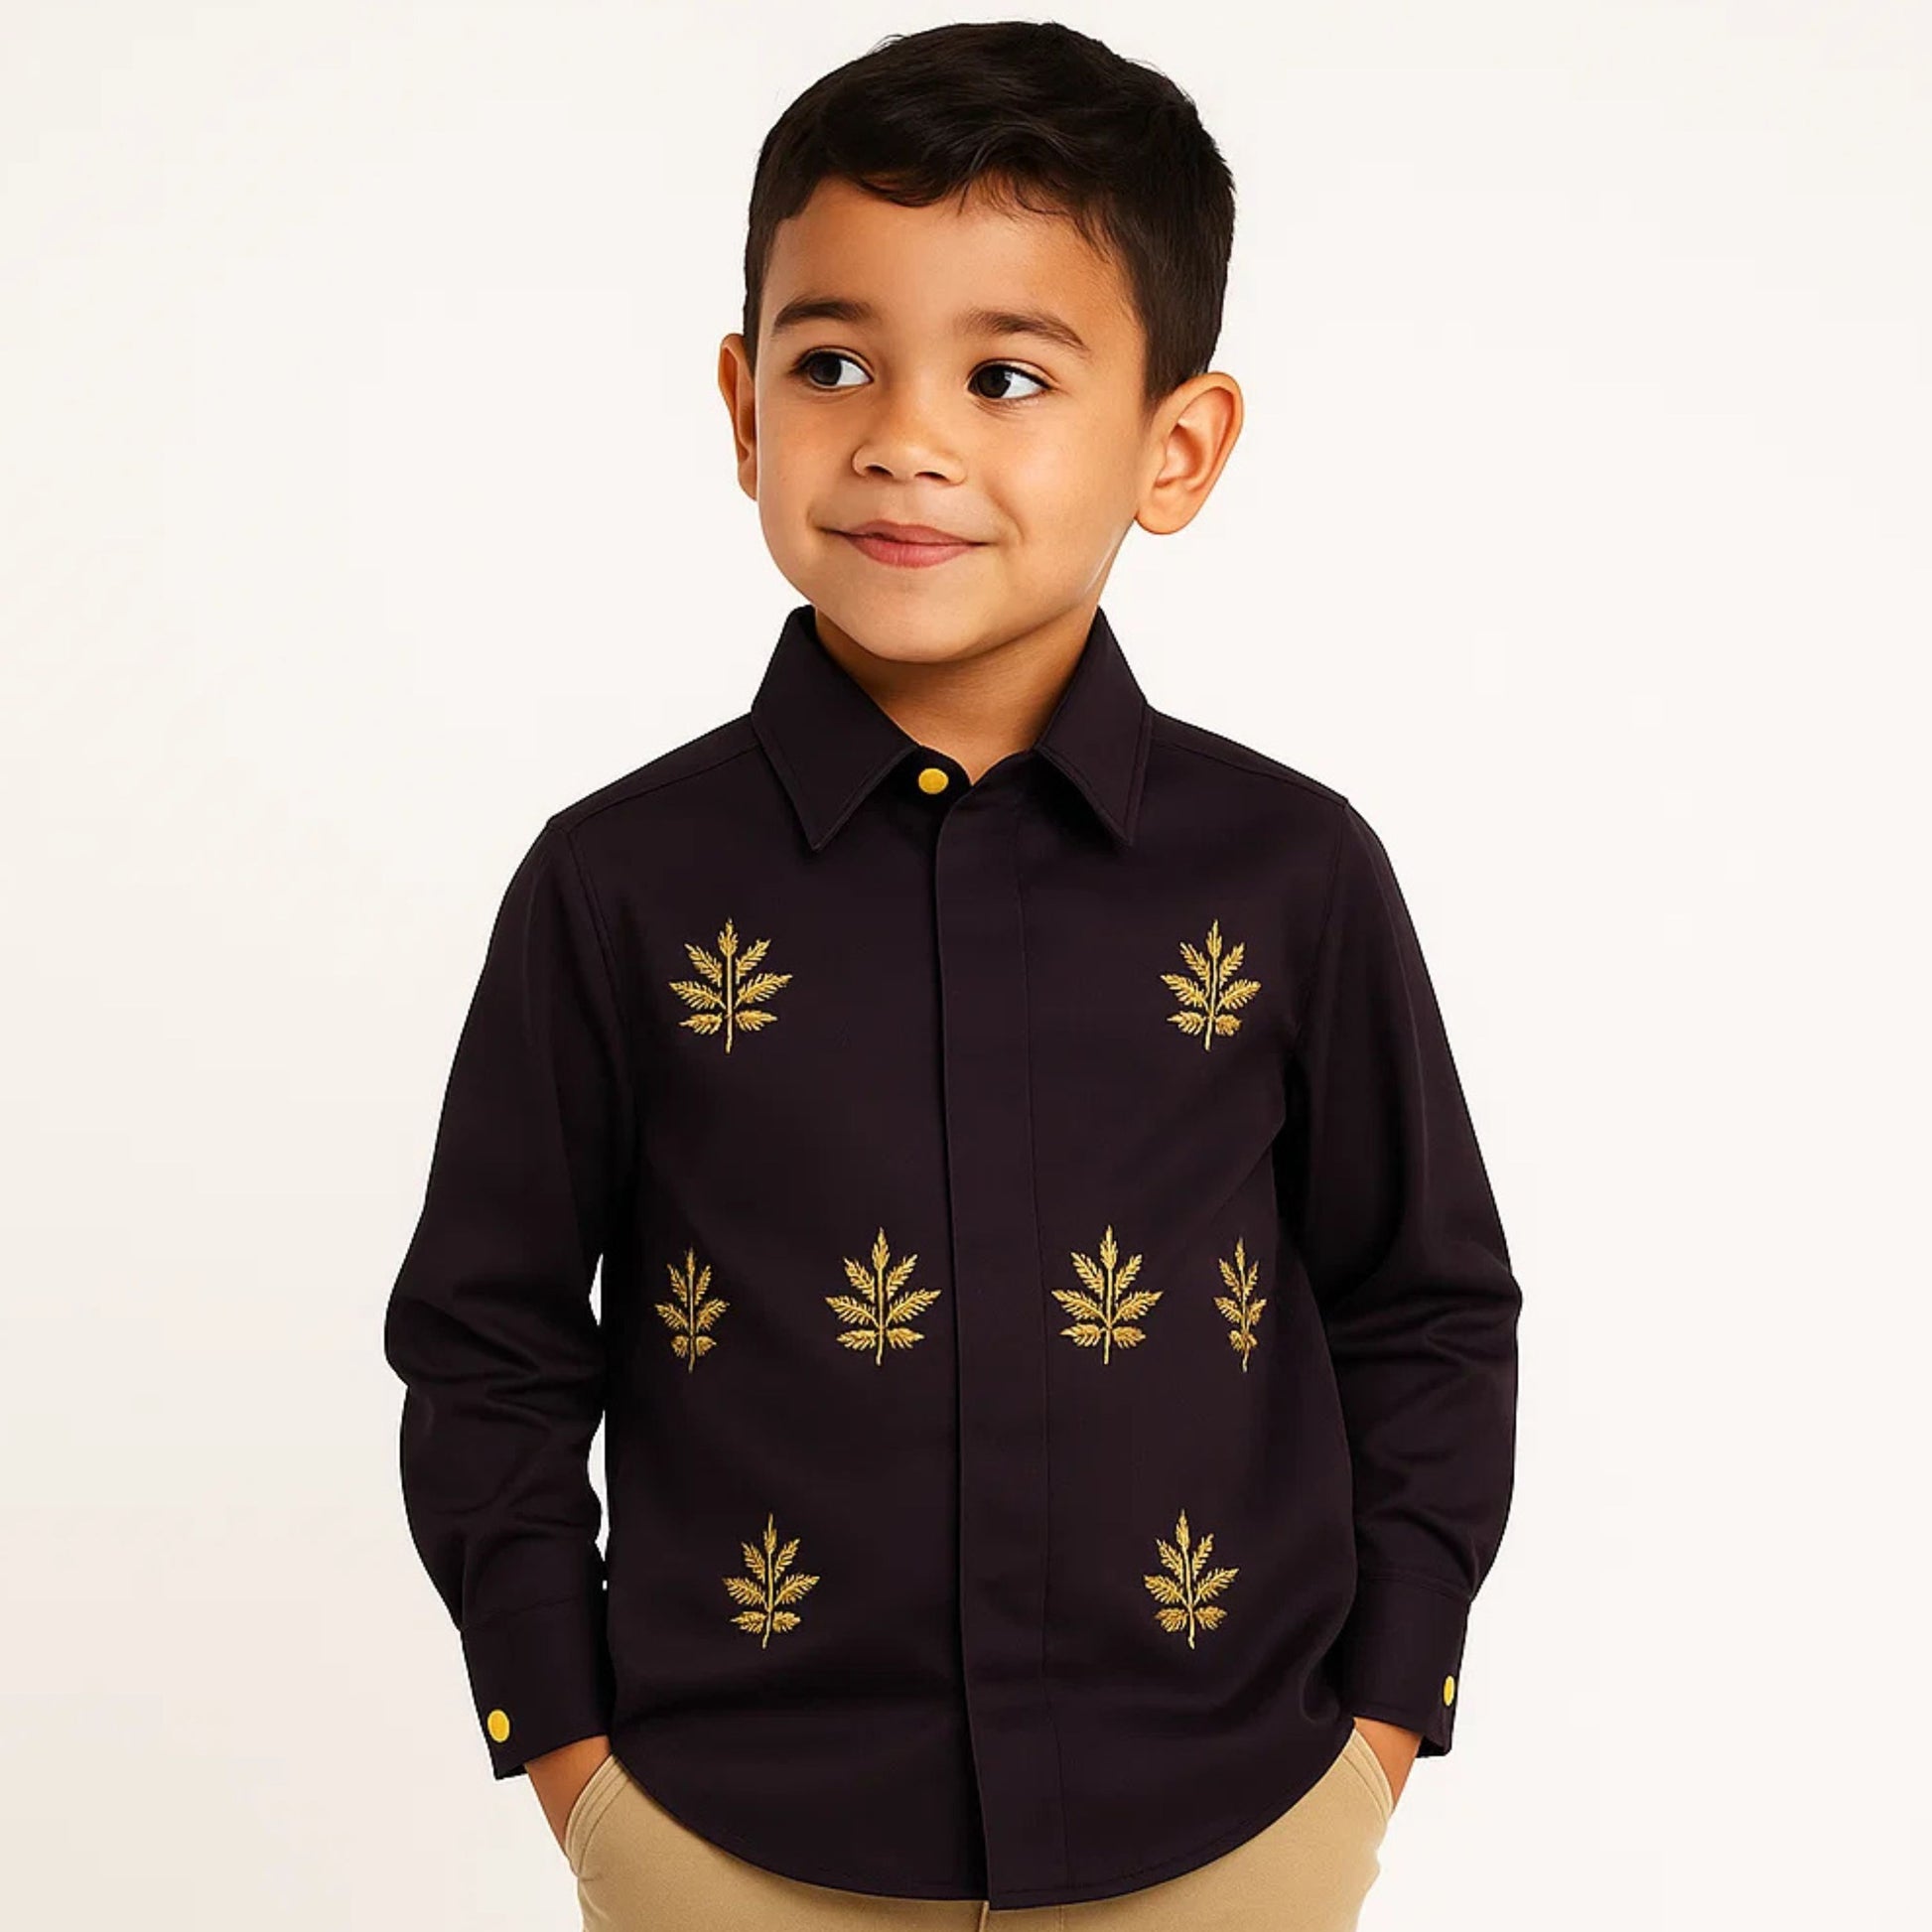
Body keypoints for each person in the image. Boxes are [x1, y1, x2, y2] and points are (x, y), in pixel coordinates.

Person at [382, 20, 1521, 1930]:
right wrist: (573, 1762)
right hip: (730, 1841)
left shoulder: (1292, 872)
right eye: (833, 363)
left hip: (1227, 1824)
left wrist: (1380, 1729)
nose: (902, 437)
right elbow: (488, 1336)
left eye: (1005, 377)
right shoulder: (616, 885)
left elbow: (1422, 1306)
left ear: (1175, 447)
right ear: (742, 406)